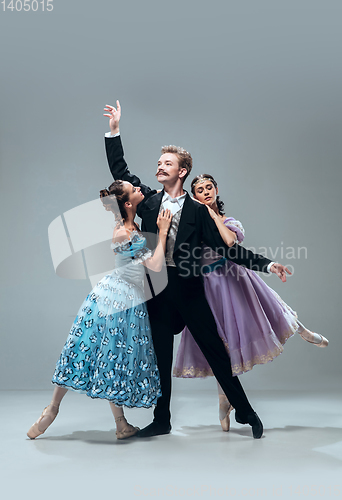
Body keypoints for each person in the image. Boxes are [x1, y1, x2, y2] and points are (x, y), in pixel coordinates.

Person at [103, 100, 291, 439]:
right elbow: (121, 174)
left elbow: (229, 250)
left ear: (182, 171)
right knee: (161, 355)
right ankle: (162, 420)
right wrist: (114, 131)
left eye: (167, 164)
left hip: (189, 289)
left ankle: (246, 412)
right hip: (157, 288)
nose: (159, 167)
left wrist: (268, 263)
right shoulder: (148, 200)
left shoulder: (198, 212)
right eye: (158, 163)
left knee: (217, 353)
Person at [173, 174, 329, 431]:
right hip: (209, 288)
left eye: (209, 187)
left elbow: (230, 243)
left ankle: (304, 332)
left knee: (273, 308)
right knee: (219, 343)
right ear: (195, 197)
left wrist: (211, 215)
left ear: (216, 189)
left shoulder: (228, 221)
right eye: (200, 190)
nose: (206, 192)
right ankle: (224, 400)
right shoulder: (193, 227)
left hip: (236, 279)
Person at [27, 180, 172, 440]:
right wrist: (162, 232)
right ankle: (53, 409)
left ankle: (119, 423)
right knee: (91, 351)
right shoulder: (125, 232)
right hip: (121, 299)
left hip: (115, 294)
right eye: (134, 188)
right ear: (128, 203)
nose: (140, 187)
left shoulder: (128, 226)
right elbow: (156, 266)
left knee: (103, 354)